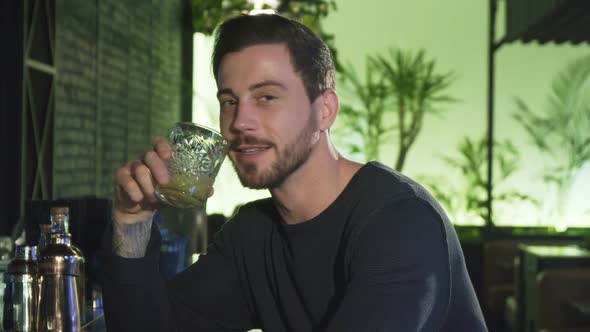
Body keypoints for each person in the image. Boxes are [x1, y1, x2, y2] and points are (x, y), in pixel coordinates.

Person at [102, 13, 487, 331]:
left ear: (325, 110)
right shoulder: (252, 235)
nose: (240, 122)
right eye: (229, 101)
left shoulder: (400, 220)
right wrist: (131, 221)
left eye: (266, 97)